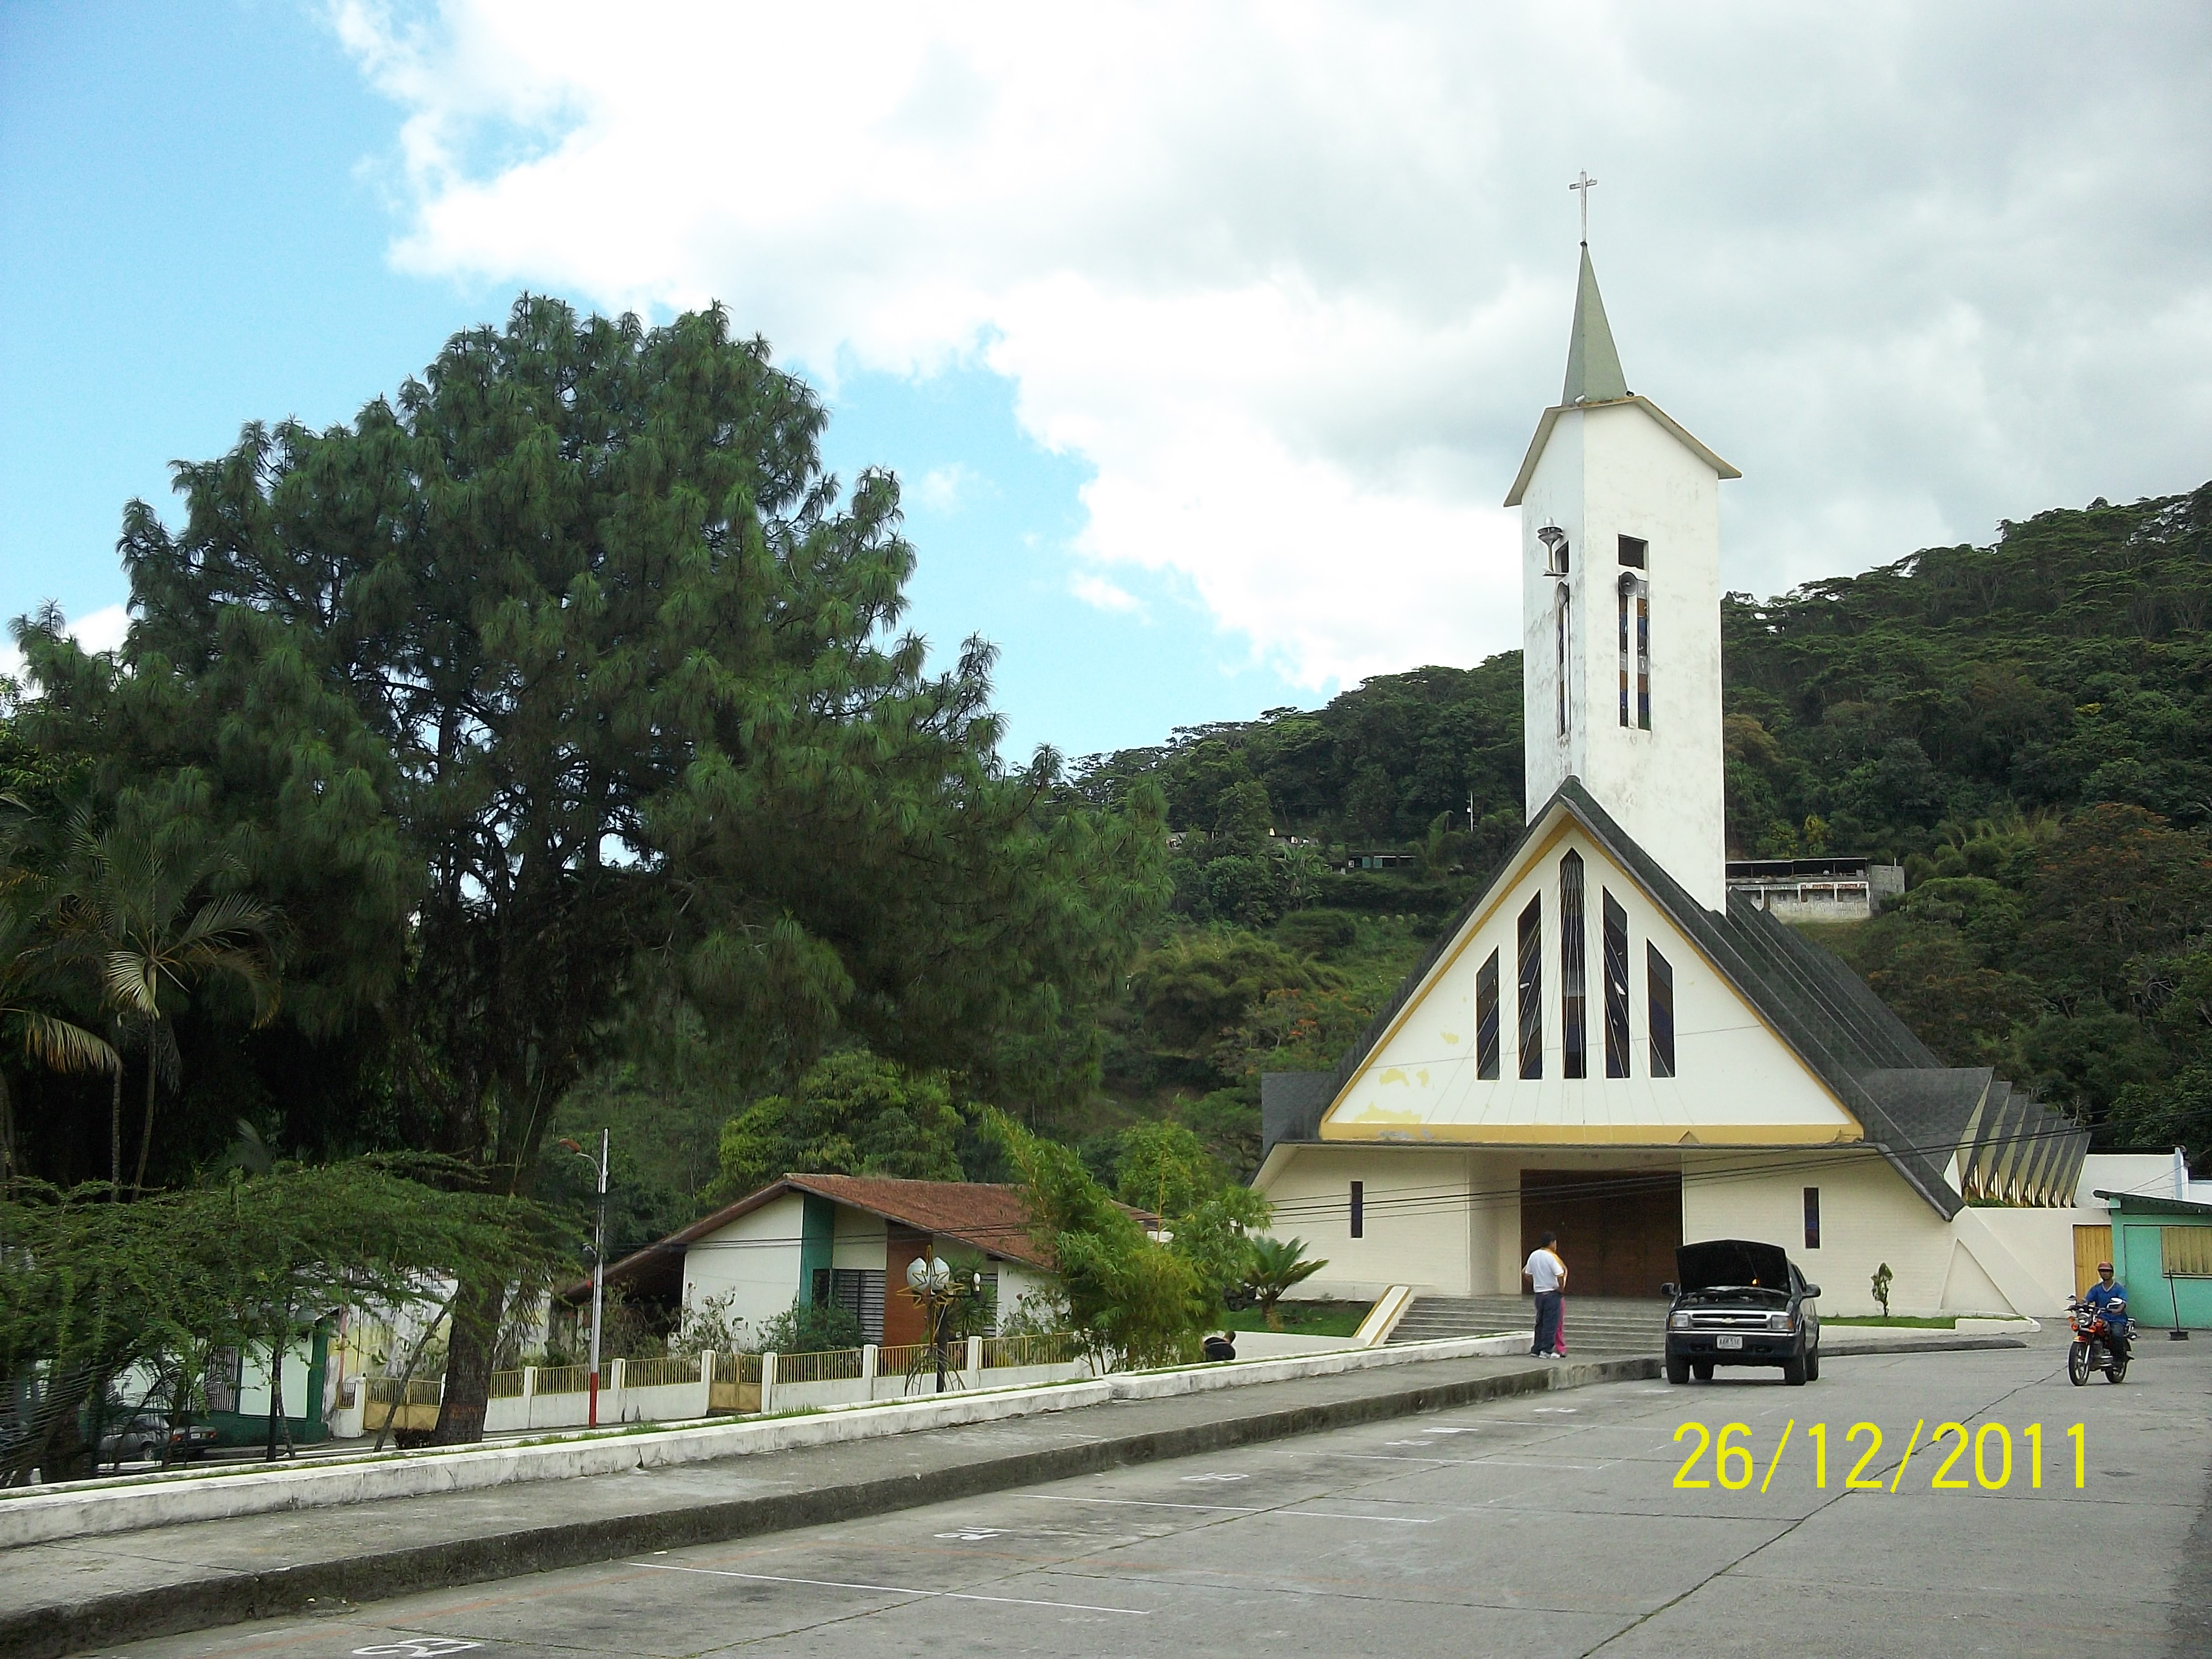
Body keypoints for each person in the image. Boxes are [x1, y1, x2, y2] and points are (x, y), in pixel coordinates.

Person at [1524, 1232, 1567, 1357]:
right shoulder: (1551, 1257)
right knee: (1551, 1323)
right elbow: (1560, 1274)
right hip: (1551, 1293)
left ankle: (1536, 1349)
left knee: (1540, 1322)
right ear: (1552, 1243)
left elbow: (1526, 1273)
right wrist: (1561, 1288)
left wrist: (1536, 1282)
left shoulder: (1534, 1255)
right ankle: (1546, 1350)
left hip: (1539, 1294)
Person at [2083, 1261, 2131, 1363]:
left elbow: (2123, 1301)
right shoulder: (2097, 1288)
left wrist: (2119, 1309)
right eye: (2102, 1271)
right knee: (2086, 1329)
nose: (2104, 1273)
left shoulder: (2118, 1288)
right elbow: (2088, 1299)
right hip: (2100, 1318)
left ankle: (2119, 1359)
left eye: (2107, 1271)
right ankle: (2091, 1352)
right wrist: (2081, 1304)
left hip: (2116, 1319)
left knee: (2117, 1335)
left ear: (2112, 1273)